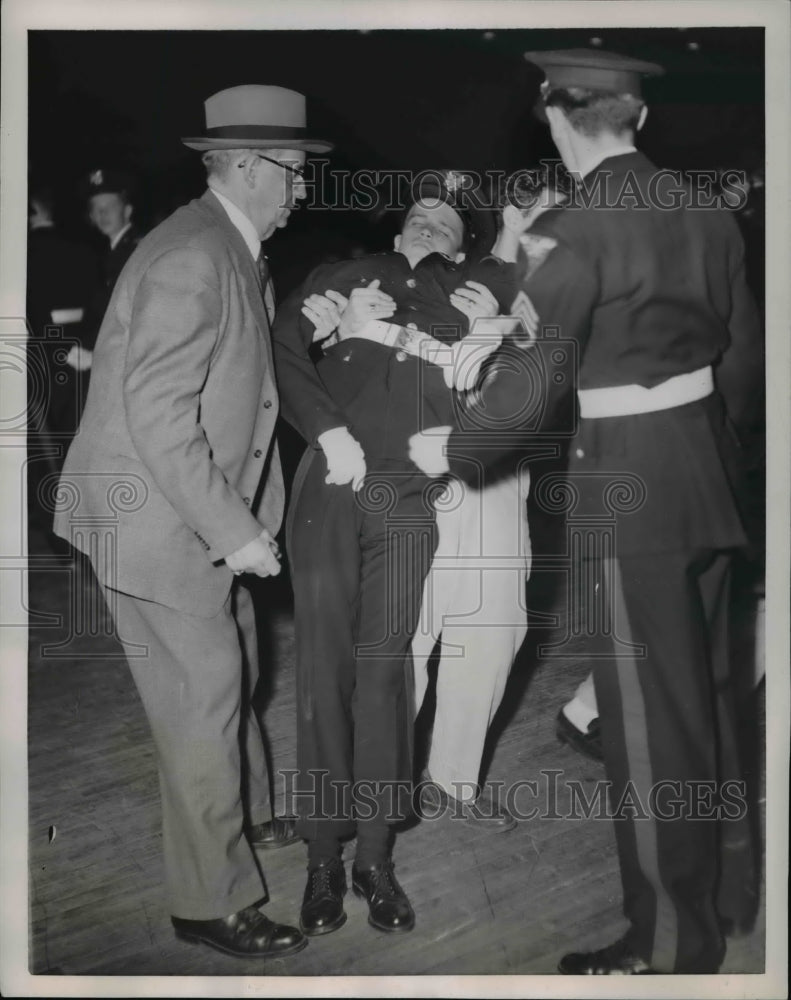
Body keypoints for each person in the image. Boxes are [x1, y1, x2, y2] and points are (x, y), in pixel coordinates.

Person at [410, 48, 762, 974]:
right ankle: (728, 894)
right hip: (707, 470)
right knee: (713, 700)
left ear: (557, 120)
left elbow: (533, 375)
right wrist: (716, 452)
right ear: (635, 121)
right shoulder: (705, 207)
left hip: (626, 484)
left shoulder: (570, 225)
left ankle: (669, 944)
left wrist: (456, 447)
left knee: (644, 720)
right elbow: (746, 363)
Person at [53, 84, 337, 959]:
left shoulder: (230, 243)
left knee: (235, 663)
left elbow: (235, 382)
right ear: (248, 167)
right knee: (204, 693)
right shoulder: (191, 255)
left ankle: (246, 814)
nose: (302, 191)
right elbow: (160, 414)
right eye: (293, 174)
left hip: (188, 508)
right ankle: (208, 900)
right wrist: (236, 531)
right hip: (154, 515)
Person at [272, 173, 521, 937]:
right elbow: (281, 346)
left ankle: (374, 857)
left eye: (445, 220)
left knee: (386, 666)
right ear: (394, 228)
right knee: (324, 667)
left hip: (408, 496)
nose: (429, 223)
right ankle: (321, 856)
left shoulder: (481, 294)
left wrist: (490, 340)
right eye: (418, 213)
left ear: (463, 242)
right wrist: (327, 430)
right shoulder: (340, 276)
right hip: (330, 482)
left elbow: (524, 385)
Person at [81, 168, 143, 358]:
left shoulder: (136, 250)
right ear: (90, 216)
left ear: (127, 211)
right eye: (96, 208)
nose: (102, 213)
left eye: (110, 206)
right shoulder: (109, 252)